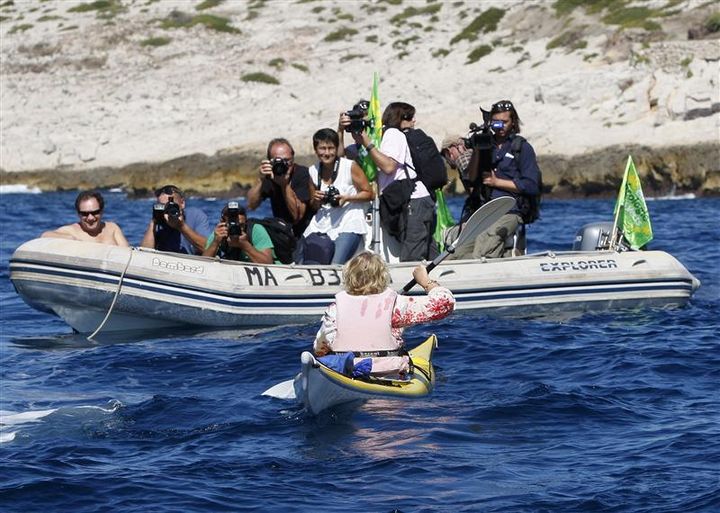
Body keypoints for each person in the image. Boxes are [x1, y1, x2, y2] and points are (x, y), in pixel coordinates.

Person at [313, 251, 454, 376]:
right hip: (387, 371)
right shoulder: (396, 305)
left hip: (344, 371)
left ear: (349, 277)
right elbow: (445, 303)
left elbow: (320, 348)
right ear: (383, 277)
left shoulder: (335, 309)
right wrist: (425, 282)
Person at [451, 100, 541, 259]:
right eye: (497, 123)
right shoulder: (487, 145)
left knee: (487, 241)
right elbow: (471, 178)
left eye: (505, 122)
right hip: (485, 209)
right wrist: (478, 147)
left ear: (513, 122)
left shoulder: (521, 147)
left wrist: (497, 182)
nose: (501, 127)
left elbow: (532, 185)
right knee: (458, 251)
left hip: (511, 209)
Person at [353, 102, 438, 262]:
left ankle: (416, 284)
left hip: (413, 200)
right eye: (410, 117)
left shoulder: (393, 134)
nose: (414, 121)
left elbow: (388, 166)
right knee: (427, 250)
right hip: (412, 200)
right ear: (400, 118)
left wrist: (367, 143)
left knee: (412, 256)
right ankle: (446, 277)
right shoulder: (388, 135)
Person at [300, 128, 374, 265]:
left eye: (331, 148)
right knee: (302, 261)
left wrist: (346, 198)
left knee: (335, 264)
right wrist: (316, 200)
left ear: (336, 148)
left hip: (349, 221)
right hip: (322, 222)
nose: (327, 153)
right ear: (315, 150)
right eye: (322, 148)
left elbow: (370, 193)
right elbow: (314, 206)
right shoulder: (313, 171)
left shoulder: (349, 166)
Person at [246, 138, 313, 239]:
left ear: (293, 157)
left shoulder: (303, 174)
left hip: (303, 233)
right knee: (250, 226)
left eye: (287, 160)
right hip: (281, 231)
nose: (284, 165)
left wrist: (284, 185)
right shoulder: (271, 176)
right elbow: (251, 205)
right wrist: (261, 180)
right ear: (270, 162)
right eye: (279, 161)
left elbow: (297, 216)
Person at [140, 184, 211, 255]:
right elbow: (144, 254)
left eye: (172, 206)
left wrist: (181, 226)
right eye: (163, 206)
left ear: (182, 203)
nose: (167, 210)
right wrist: (154, 221)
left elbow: (208, 249)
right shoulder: (159, 222)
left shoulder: (195, 215)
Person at [42, 190, 129, 246]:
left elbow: (128, 254)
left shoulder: (113, 228)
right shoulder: (72, 231)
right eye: (85, 214)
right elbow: (45, 235)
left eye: (95, 212)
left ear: (102, 211)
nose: (90, 218)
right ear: (78, 214)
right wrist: (71, 239)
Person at [202, 203, 277, 264]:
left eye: (241, 225)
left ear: (246, 222)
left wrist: (245, 245)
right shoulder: (219, 233)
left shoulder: (256, 230)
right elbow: (203, 264)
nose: (236, 228)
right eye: (231, 224)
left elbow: (268, 263)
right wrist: (215, 242)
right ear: (222, 222)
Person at [336, 99, 369, 163]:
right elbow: (339, 159)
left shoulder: (383, 144)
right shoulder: (352, 150)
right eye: (358, 122)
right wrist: (340, 130)